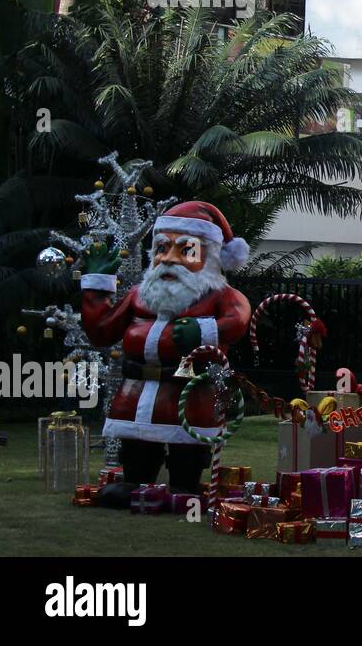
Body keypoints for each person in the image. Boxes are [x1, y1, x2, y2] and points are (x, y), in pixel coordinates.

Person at [79, 201, 251, 507]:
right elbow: (102, 332)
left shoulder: (220, 296)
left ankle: (185, 486)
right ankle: (134, 482)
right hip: (136, 392)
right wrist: (96, 289)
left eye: (186, 250)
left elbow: (237, 321)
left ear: (209, 256)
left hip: (190, 395)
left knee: (187, 449)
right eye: (162, 248)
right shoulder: (138, 295)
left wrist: (204, 330)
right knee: (136, 447)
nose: (169, 259)